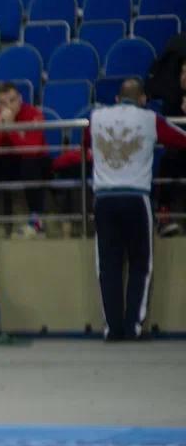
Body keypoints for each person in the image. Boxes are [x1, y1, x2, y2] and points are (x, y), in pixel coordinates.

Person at [87, 78, 186, 342]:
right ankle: (133, 327)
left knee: (107, 266)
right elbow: (180, 139)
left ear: (117, 99)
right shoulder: (150, 118)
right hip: (136, 198)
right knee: (141, 264)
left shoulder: (95, 117)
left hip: (104, 199)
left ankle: (112, 329)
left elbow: (85, 145)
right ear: (143, 99)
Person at [0, 82, 47, 237]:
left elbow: (31, 151)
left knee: (31, 166)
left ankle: (36, 222)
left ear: (20, 99)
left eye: (12, 100)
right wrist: (0, 129)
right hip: (5, 162)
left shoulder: (34, 114)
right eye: (2, 102)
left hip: (32, 162)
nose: (8, 106)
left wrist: (12, 127)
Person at [155, 60, 186, 237]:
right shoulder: (173, 99)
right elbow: (169, 131)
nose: (184, 77)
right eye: (182, 72)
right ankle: (164, 218)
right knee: (168, 160)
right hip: (179, 151)